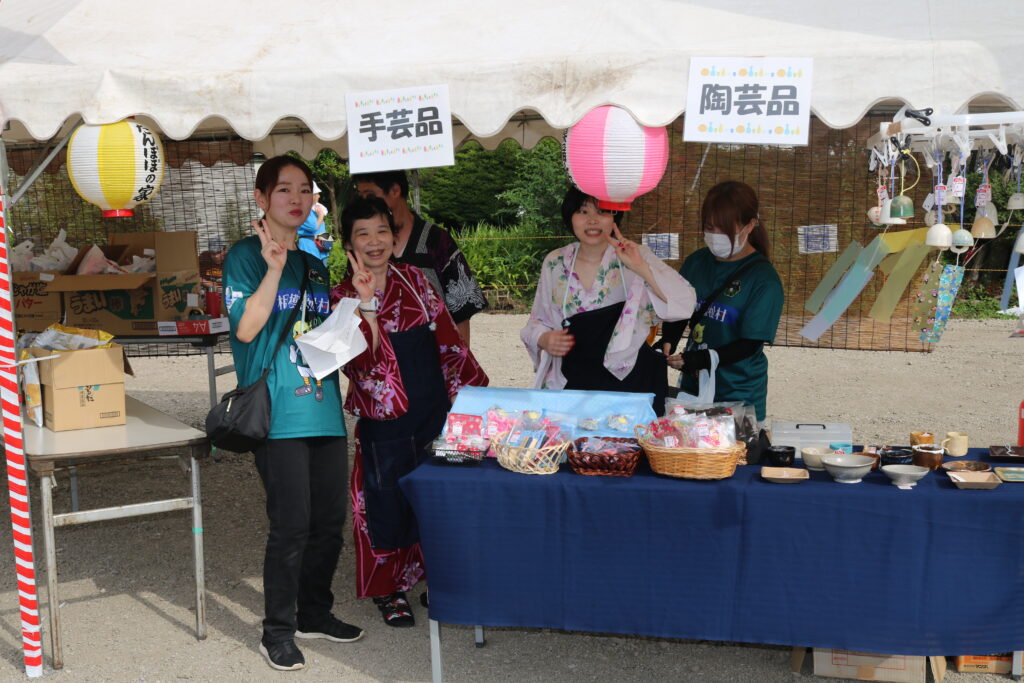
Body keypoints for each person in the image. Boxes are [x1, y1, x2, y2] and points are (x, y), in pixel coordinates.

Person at [222, 156, 363, 672]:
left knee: (329, 522)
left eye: (305, 189)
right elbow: (246, 329)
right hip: (276, 413)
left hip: (323, 406)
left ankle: (314, 612)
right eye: (284, 190)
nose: (297, 199)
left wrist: (356, 313)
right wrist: (274, 266)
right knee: (291, 525)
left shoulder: (315, 263)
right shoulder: (243, 257)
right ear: (262, 198)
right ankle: (276, 631)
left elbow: (321, 333)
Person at [330, 196, 488, 628]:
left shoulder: (416, 279)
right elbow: (359, 364)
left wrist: (465, 400)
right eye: (363, 234)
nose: (375, 242)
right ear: (348, 244)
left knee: (436, 495)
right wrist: (367, 306)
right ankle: (388, 589)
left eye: (382, 231)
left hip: (432, 407)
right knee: (384, 502)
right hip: (385, 420)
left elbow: (449, 342)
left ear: (394, 238)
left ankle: (437, 577)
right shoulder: (341, 297)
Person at [520, 187, 696, 415]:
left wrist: (640, 268)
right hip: (573, 380)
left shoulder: (635, 255)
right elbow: (537, 321)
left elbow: (684, 303)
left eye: (602, 211)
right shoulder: (555, 261)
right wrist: (543, 338)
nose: (592, 220)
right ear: (570, 217)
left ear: (615, 216)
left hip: (628, 381)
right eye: (582, 211)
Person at [658, 180, 784, 423]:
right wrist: (669, 339)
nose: (715, 236)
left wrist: (705, 359)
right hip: (694, 386)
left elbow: (751, 342)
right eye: (709, 228)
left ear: (750, 225)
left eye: (724, 230)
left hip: (739, 393)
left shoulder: (763, 280)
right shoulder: (697, 262)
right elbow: (681, 307)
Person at [353, 170, 486, 345]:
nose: (364, 203)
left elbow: (461, 309)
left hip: (433, 356)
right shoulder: (361, 247)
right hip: (382, 361)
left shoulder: (437, 240)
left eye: (370, 195)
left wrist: (460, 363)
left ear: (394, 191)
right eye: (360, 195)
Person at [296, 182, 332, 265]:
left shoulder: (313, 209)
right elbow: (313, 226)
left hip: (321, 246)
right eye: (316, 194)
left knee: (322, 274)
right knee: (314, 273)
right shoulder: (303, 211)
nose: (319, 196)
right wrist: (320, 215)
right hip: (309, 246)